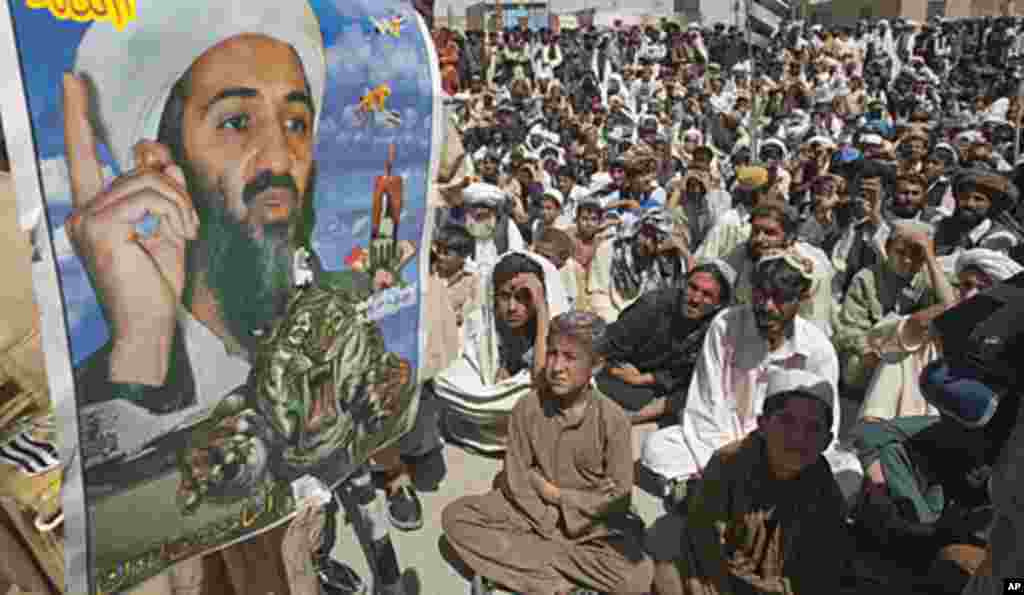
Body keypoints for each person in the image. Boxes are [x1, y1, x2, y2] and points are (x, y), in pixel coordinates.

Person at [63, 3, 411, 591]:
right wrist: (142, 347)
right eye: (235, 121)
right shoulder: (124, 377)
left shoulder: (312, 291)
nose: (279, 160)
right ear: (158, 163)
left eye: (296, 124)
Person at [442, 311, 654, 595]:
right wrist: (547, 523)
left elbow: (617, 494)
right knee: (456, 517)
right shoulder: (527, 408)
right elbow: (517, 477)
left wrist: (558, 497)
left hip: (590, 525)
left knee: (637, 575)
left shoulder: (613, 420)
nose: (556, 366)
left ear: (596, 365)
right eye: (552, 354)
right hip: (530, 514)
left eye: (570, 357)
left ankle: (520, 574)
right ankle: (561, 585)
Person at [641, 250, 861, 509]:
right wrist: (731, 458)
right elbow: (704, 404)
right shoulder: (725, 324)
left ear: (801, 299)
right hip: (723, 443)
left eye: (780, 299)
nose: (767, 306)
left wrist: (778, 460)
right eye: (761, 294)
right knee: (658, 446)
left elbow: (825, 429)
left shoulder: (817, 349)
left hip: (786, 452)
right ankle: (721, 492)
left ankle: (710, 493)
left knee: (847, 471)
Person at [649, 369, 848, 595]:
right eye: (786, 421)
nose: (798, 438)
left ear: (826, 441)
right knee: (669, 573)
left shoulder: (824, 488)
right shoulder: (728, 463)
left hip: (774, 587)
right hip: (723, 577)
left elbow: (824, 565)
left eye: (813, 428)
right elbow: (705, 541)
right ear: (762, 424)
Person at [433, 251, 570, 453]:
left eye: (523, 298)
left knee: (533, 396)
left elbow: (542, 380)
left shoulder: (554, 321)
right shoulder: (490, 319)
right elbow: (477, 354)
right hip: (501, 396)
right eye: (505, 296)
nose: (512, 307)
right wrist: (503, 368)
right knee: (442, 380)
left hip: (532, 396)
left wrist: (541, 308)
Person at [595, 261, 735, 424]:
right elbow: (608, 346)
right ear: (683, 284)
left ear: (719, 304)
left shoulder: (716, 329)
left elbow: (692, 375)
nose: (695, 299)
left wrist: (646, 379)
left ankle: (631, 417)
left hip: (659, 384)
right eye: (692, 288)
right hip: (625, 370)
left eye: (707, 295)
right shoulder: (652, 306)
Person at [590, 207, 688, 323]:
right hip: (612, 317)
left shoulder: (664, 261)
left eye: (655, 239)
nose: (647, 242)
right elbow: (599, 294)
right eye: (646, 234)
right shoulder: (610, 249)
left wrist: (684, 252)